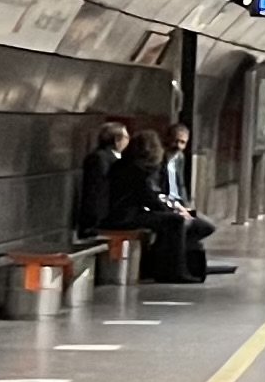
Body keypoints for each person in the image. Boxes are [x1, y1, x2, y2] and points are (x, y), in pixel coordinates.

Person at [114, 131, 209, 284]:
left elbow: (155, 195)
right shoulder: (137, 169)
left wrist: (178, 208)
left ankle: (171, 262)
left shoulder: (131, 166)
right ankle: (175, 269)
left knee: (192, 221)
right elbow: (150, 197)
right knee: (176, 221)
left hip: (134, 212)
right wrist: (173, 210)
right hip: (127, 216)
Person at [165, 126, 233, 278]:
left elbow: (180, 185)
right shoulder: (160, 159)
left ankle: (184, 250)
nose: (178, 146)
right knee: (182, 224)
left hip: (180, 206)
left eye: (182, 142)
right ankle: (178, 261)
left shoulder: (179, 158)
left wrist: (186, 206)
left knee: (207, 225)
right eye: (175, 141)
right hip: (167, 206)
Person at [73, 119, 126, 246]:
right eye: (126, 137)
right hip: (99, 218)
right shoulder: (99, 158)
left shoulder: (117, 158)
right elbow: (98, 191)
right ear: (117, 140)